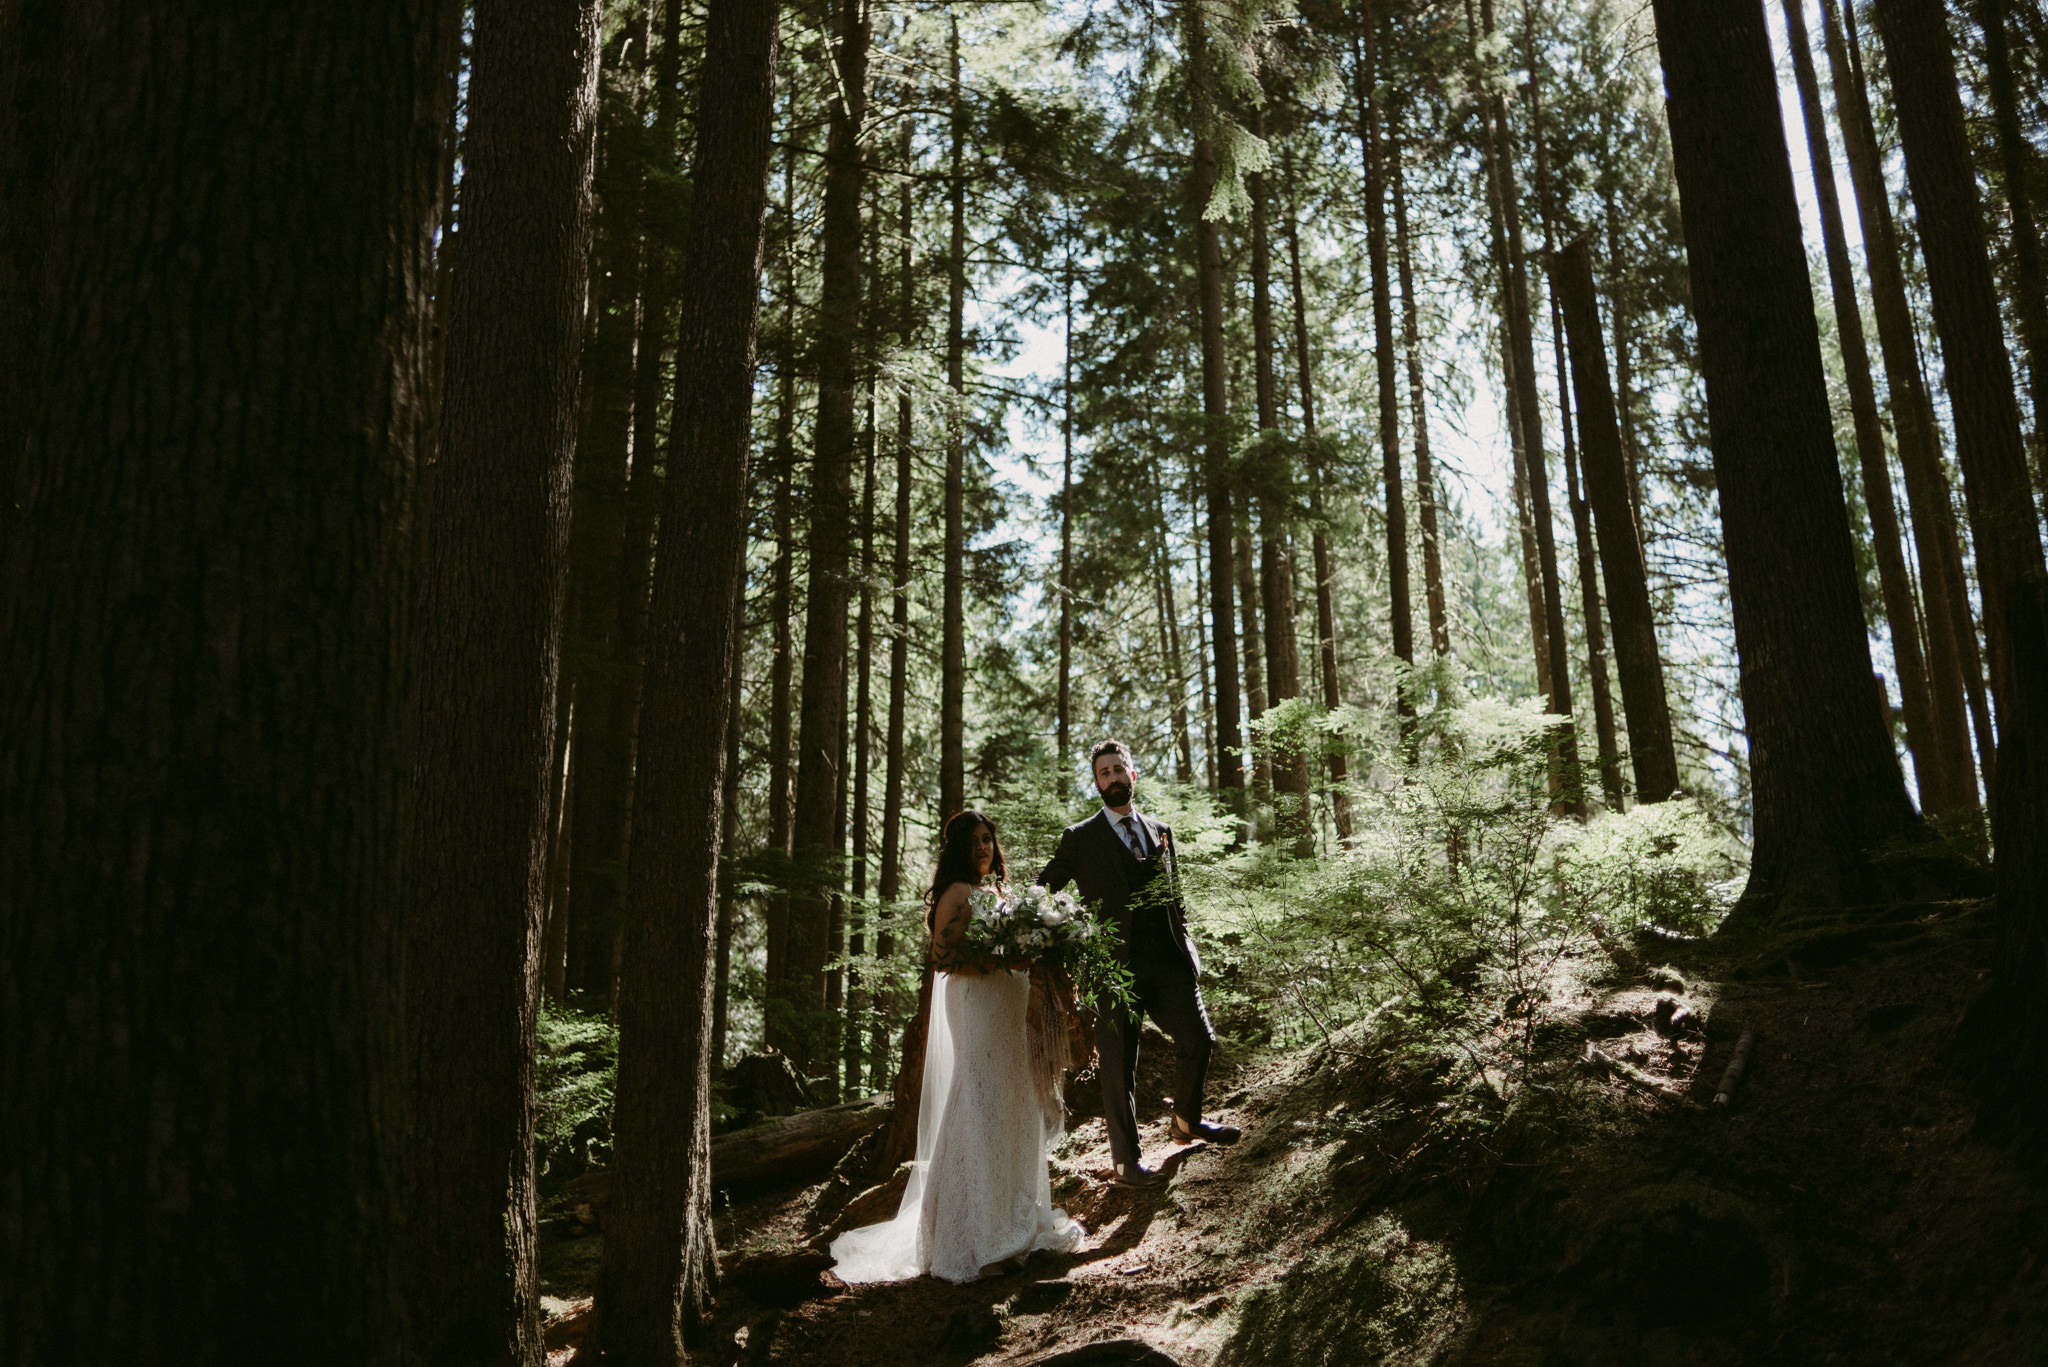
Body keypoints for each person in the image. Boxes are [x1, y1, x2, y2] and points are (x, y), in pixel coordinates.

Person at [829, 810, 1085, 1284]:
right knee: (980, 1101)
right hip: (977, 1009)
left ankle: (1013, 1218)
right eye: (974, 842)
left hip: (1010, 1008)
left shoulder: (1000, 893)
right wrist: (1001, 959)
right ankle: (971, 1233)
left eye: (988, 838)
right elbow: (943, 959)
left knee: (1012, 1102)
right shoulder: (956, 893)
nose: (984, 847)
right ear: (958, 851)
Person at [1037, 739, 1241, 1188]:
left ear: (1134, 774)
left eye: (1118, 769)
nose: (1112, 777)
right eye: (1103, 773)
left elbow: (1176, 898)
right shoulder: (1081, 837)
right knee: (1118, 1066)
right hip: (1115, 970)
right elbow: (1044, 889)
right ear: (1096, 784)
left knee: (1199, 1039)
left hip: (1168, 962)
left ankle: (1186, 1121)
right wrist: (1070, 938)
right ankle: (1126, 1163)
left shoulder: (1161, 830)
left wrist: (1186, 945)